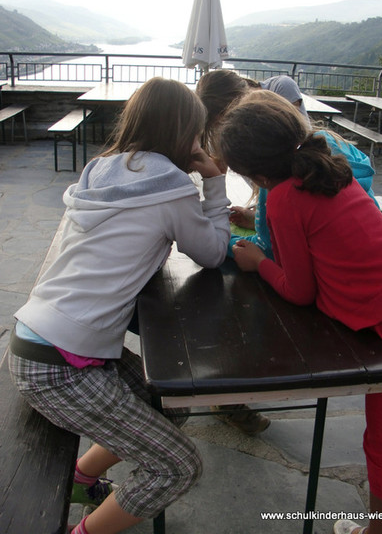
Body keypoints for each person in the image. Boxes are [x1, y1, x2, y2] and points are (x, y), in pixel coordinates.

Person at [218, 89, 382, 534]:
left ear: (256, 174)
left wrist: (258, 263)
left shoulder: (282, 197)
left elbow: (299, 291)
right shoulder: (330, 168)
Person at [8, 78, 231, 534]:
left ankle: (81, 479)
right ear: (185, 132)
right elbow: (212, 253)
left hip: (37, 338)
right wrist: (214, 181)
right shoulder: (172, 188)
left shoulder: (101, 168)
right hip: (59, 368)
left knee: (171, 402)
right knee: (178, 467)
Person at [197, 69, 378, 262]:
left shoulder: (276, 174)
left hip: (338, 274)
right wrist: (257, 220)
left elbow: (270, 250)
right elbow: (318, 223)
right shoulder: (323, 144)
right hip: (377, 255)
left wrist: (220, 240)